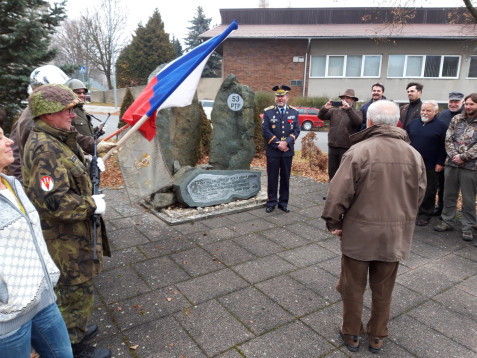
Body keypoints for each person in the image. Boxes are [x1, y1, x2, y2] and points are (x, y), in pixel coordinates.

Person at [322, 100, 426, 354]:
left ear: (369, 121)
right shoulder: (414, 154)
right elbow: (420, 194)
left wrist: (334, 222)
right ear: (396, 123)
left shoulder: (358, 151)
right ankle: (377, 335)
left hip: (360, 234)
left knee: (352, 287)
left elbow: (338, 195)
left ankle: (352, 333)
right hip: (395, 236)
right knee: (383, 289)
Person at [22, 84, 112, 358]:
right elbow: (55, 202)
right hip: (65, 239)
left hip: (72, 234)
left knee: (76, 290)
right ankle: (74, 346)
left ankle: (76, 327)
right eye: (68, 110)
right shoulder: (45, 149)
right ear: (49, 115)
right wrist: (91, 204)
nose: (73, 115)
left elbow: (66, 175)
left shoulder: (56, 139)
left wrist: (88, 163)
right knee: (74, 289)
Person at [0, 126, 73, 358]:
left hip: (42, 299)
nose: (9, 142)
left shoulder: (11, 183)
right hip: (9, 318)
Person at [8, 67, 115, 182]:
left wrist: (96, 145)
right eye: (59, 91)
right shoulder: (31, 119)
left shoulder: (50, 114)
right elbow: (15, 155)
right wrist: (22, 184)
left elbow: (71, 134)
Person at [434, 93, 477, 243]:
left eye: (472, 104)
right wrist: (454, 156)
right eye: (467, 103)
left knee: (468, 198)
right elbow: (448, 138)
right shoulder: (457, 118)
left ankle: (467, 227)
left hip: (470, 167)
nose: (469, 106)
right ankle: (447, 221)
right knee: (449, 194)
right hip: (451, 163)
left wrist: (463, 157)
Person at [406, 100, 447, 226]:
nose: (424, 112)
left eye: (428, 110)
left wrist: (440, 163)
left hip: (431, 164)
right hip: (411, 163)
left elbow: (443, 146)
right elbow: (406, 140)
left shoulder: (441, 126)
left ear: (435, 112)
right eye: (423, 110)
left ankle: (425, 213)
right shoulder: (413, 123)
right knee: (410, 188)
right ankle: (410, 211)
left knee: (428, 190)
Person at [262, 84, 300, 213]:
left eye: (282, 96)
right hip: (273, 151)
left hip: (287, 151)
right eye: (278, 96)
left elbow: (296, 130)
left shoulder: (294, 112)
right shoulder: (268, 112)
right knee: (272, 177)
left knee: (285, 177)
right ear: (275, 98)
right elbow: (265, 130)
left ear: (287, 97)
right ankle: (271, 202)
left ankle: (283, 202)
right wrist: (278, 144)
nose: (280, 98)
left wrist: (286, 143)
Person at [319, 89, 362, 181]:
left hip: (346, 148)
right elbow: (321, 116)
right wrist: (325, 108)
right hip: (332, 146)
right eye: (343, 98)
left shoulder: (357, 112)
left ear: (353, 100)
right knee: (332, 173)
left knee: (344, 174)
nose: (345, 99)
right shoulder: (334, 111)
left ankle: (342, 195)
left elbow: (357, 122)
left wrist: (349, 109)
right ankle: (332, 194)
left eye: (348, 98)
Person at [433, 91, 465, 216]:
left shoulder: (465, 115)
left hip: (463, 158)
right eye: (451, 101)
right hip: (444, 156)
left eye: (456, 102)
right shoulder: (443, 114)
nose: (453, 104)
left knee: (459, 189)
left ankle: (459, 213)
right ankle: (441, 208)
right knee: (443, 185)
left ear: (462, 103)